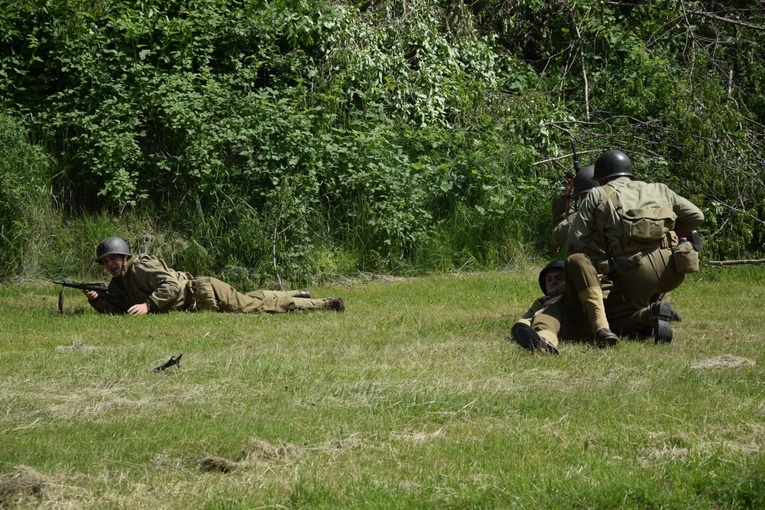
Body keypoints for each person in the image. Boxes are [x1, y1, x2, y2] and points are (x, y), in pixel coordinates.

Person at [565, 150, 704, 343]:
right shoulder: (659, 189)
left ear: (602, 179)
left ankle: (651, 313)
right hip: (674, 268)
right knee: (642, 291)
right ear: (629, 173)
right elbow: (697, 216)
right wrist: (670, 234)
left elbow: (575, 241)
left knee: (613, 319)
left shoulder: (598, 194)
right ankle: (661, 307)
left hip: (635, 270)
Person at [84, 237, 345, 315]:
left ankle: (325, 303)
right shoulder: (119, 281)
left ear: (125, 257)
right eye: (105, 262)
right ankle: (298, 293)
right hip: (200, 296)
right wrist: (97, 300)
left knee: (260, 308)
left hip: (204, 293)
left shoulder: (141, 267)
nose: (109, 264)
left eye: (112, 259)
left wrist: (148, 305)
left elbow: (172, 286)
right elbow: (117, 308)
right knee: (252, 298)